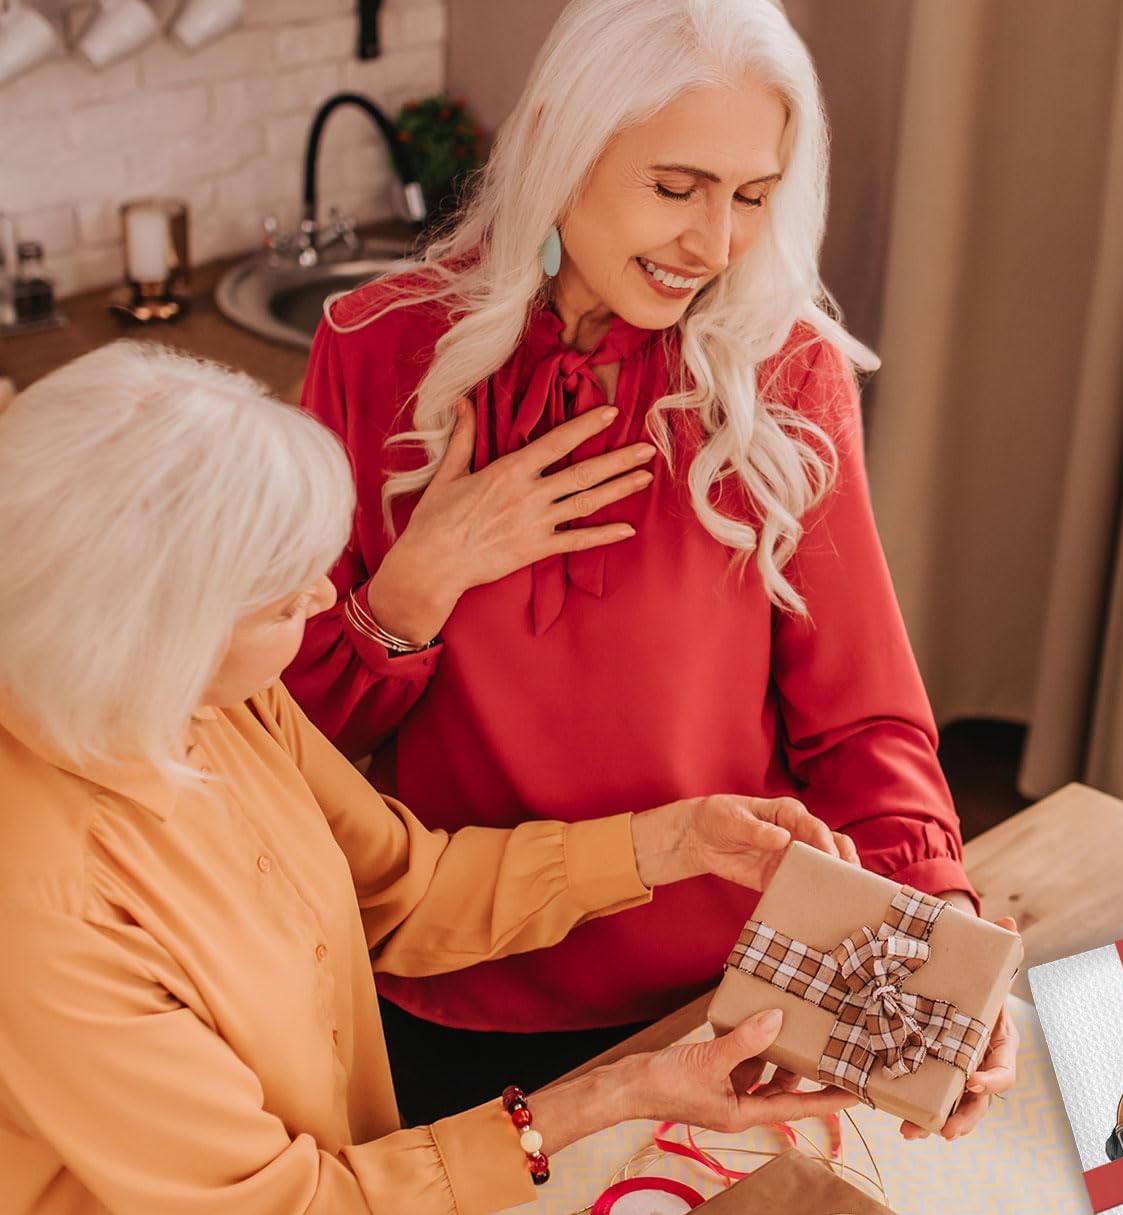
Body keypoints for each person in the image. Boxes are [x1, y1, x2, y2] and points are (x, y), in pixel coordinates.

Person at [0, 343, 860, 1215]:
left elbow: (402, 893)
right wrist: (612, 1096)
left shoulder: (213, 700)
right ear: (146, 628)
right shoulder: (42, 898)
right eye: (278, 599)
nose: (322, 601)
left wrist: (678, 841)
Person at [287, 0, 1019, 1132]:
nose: (715, 243)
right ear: (559, 144)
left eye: (753, 196)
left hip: (724, 1005)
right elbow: (281, 755)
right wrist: (413, 589)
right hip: (446, 997)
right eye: (676, 188)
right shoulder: (376, 353)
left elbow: (862, 721)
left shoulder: (785, 375)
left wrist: (945, 962)